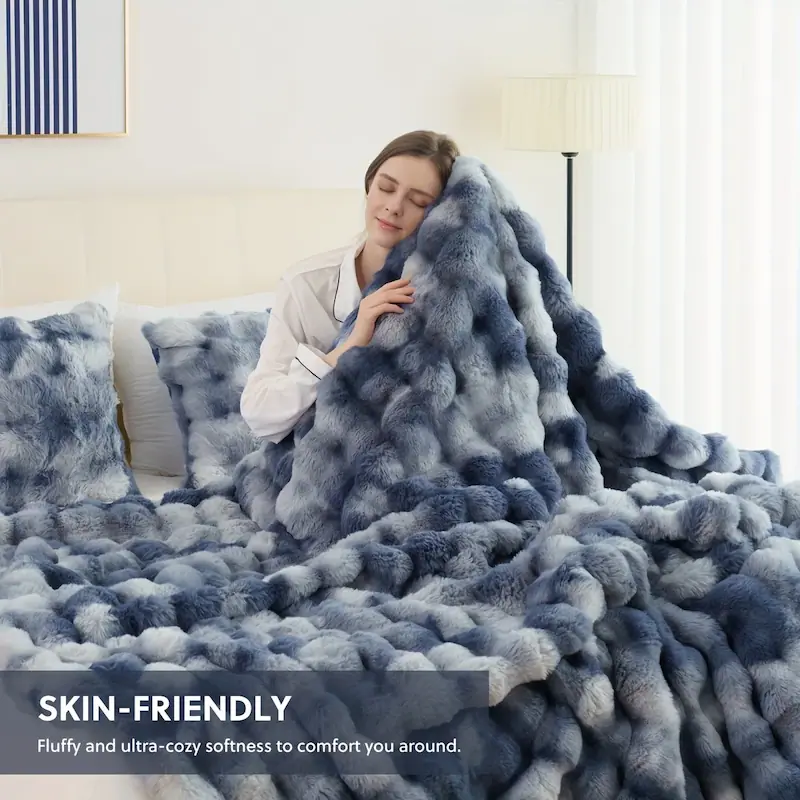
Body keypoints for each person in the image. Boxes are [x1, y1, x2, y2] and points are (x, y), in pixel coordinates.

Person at [240, 129, 460, 443]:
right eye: (386, 188)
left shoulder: (448, 296)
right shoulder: (305, 286)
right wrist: (346, 348)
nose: (394, 206)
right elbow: (259, 414)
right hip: (313, 469)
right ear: (369, 186)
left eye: (418, 201)